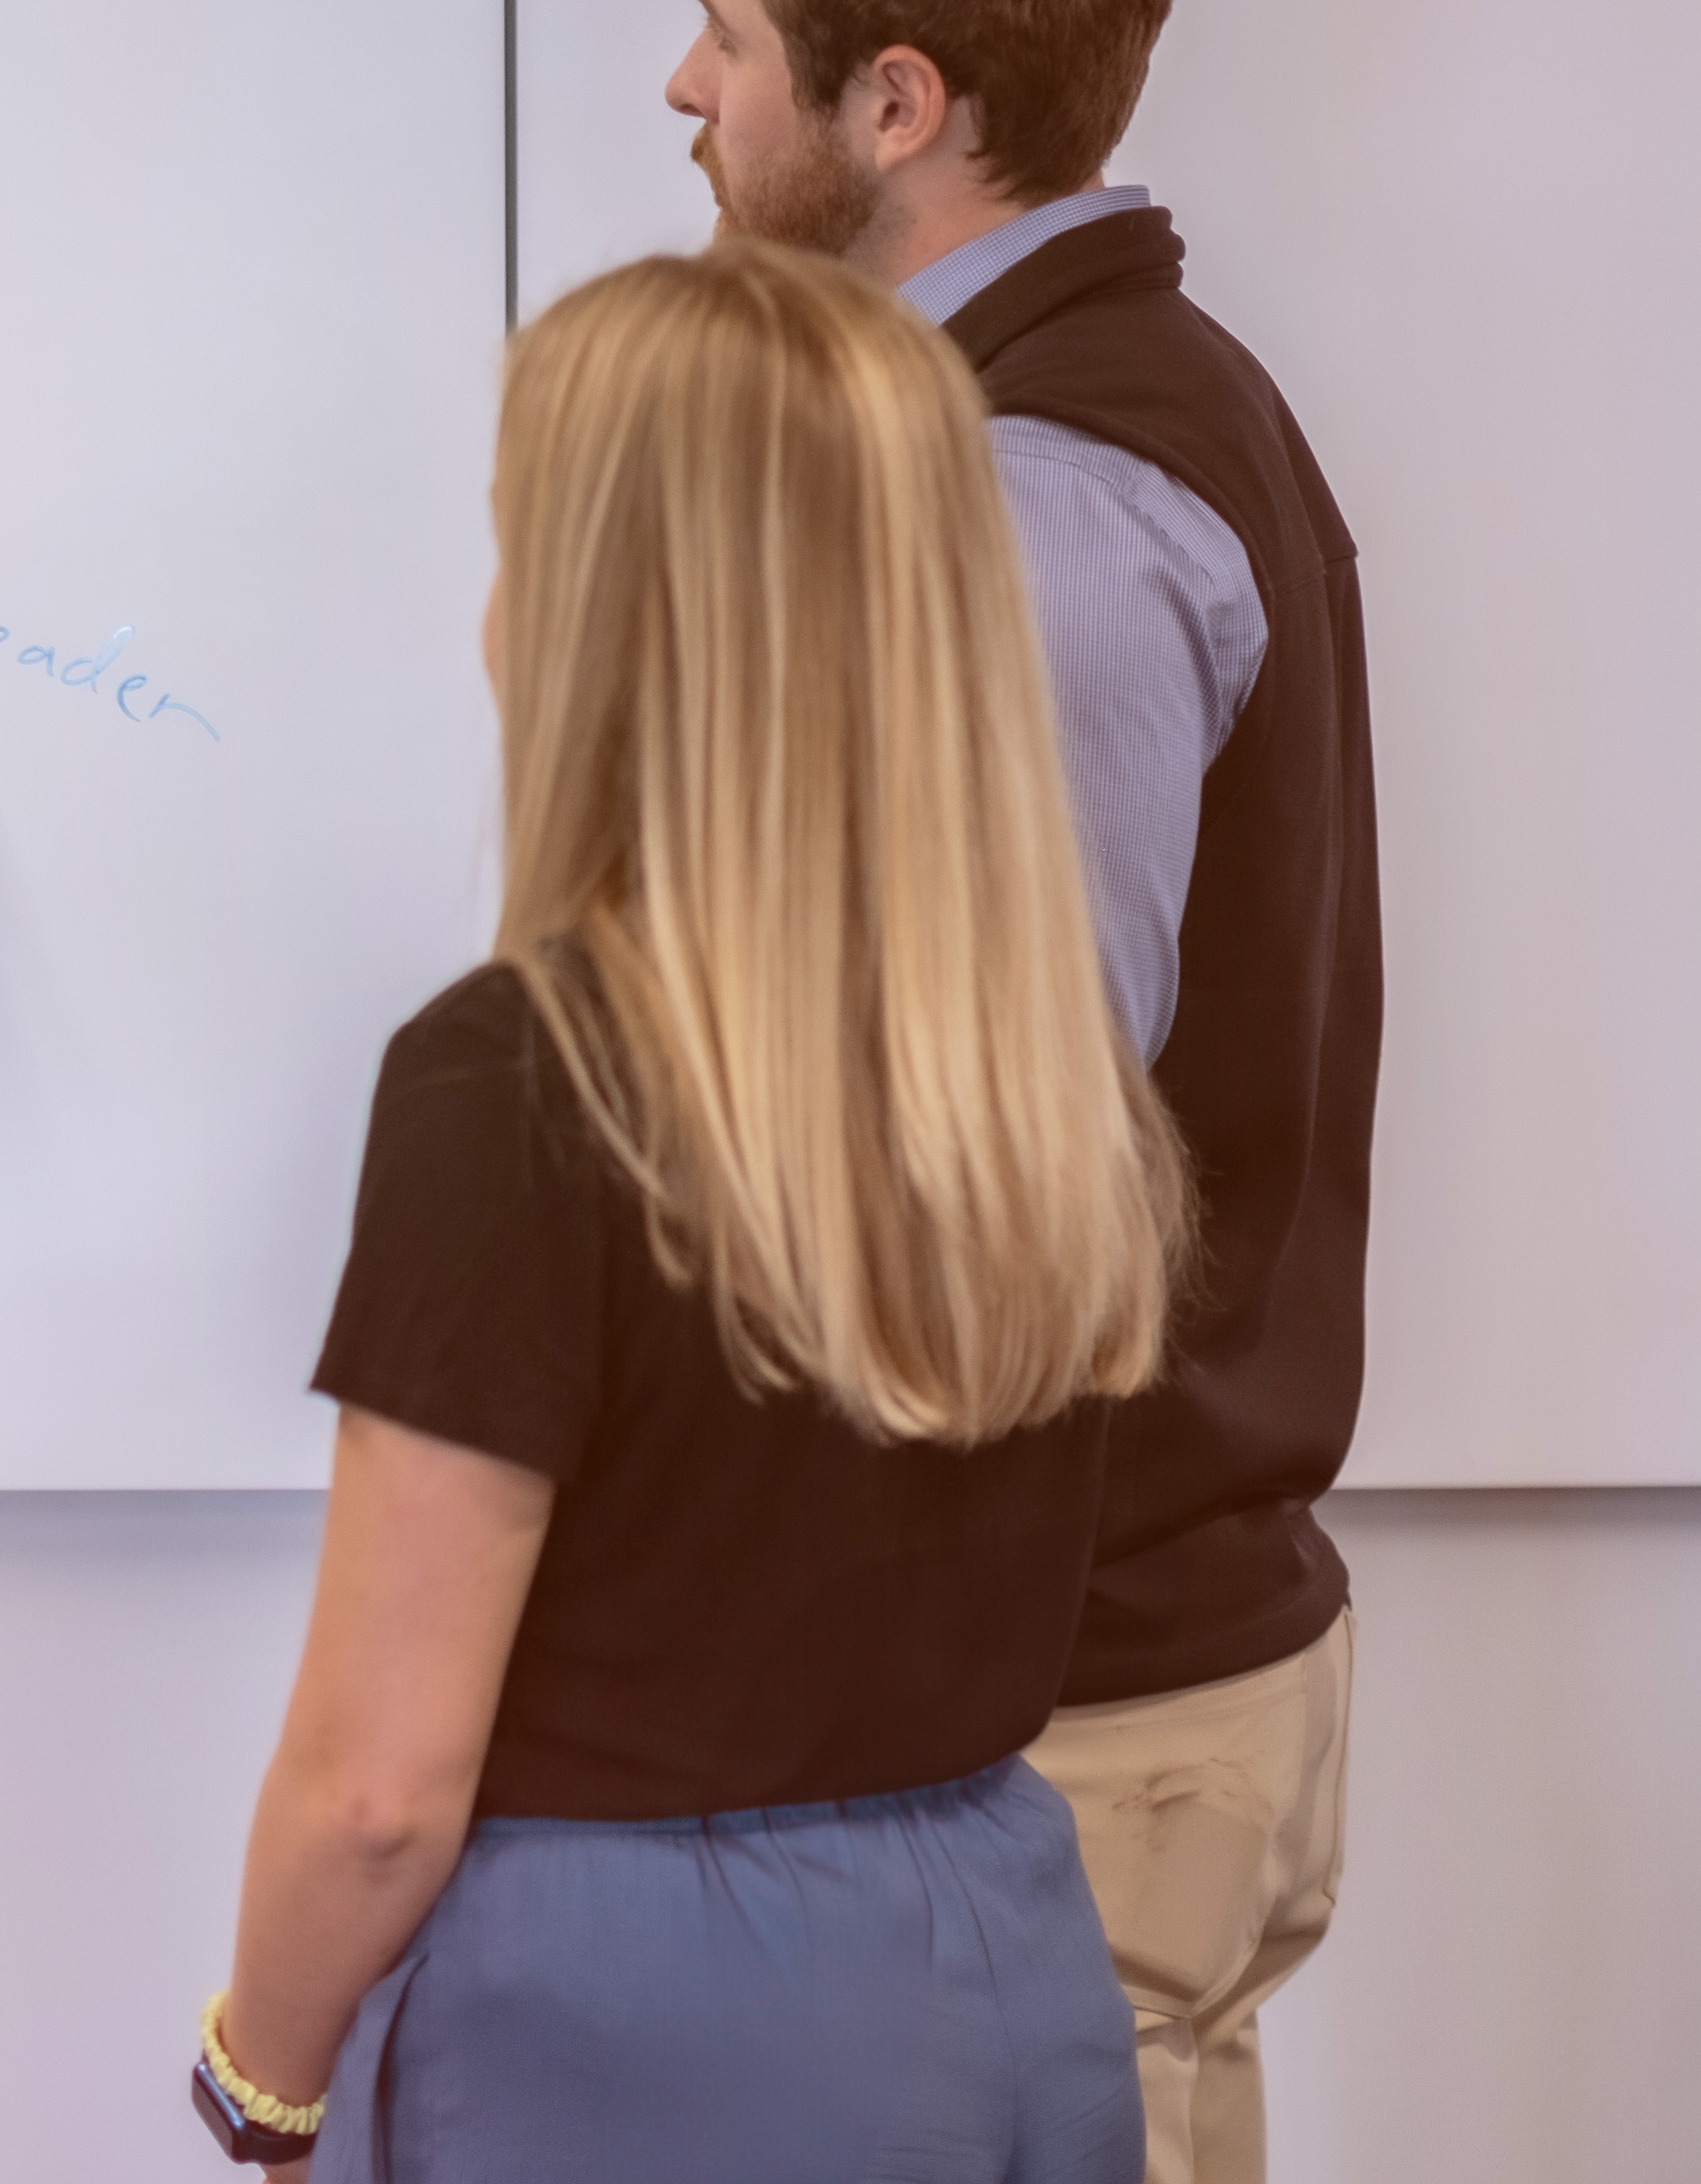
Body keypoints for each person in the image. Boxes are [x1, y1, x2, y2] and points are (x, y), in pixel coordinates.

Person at [197, 244, 1186, 2179]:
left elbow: (379, 1791)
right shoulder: (1037, 1067)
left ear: (615, 615)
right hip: (998, 1954)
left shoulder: (519, 1082)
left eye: (520, 550)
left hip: (627, 2029)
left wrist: (261, 2079)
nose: (492, 621)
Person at [663, 0, 1376, 2184]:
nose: (683, 80)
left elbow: (1004, 1188)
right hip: (1095, 1685)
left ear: (891, 99)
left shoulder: (1032, 496)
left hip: (1059, 1721)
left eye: (726, 33)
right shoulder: (1087, 419)